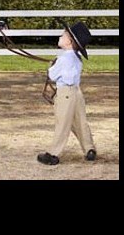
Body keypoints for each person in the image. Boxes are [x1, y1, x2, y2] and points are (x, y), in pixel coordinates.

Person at [37, 21, 96, 165]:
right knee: (80, 122)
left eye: (63, 35)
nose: (60, 36)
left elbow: (52, 75)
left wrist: (51, 66)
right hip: (76, 93)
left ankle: (53, 154)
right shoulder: (77, 58)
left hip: (65, 94)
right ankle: (89, 148)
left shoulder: (63, 59)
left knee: (62, 123)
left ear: (69, 42)